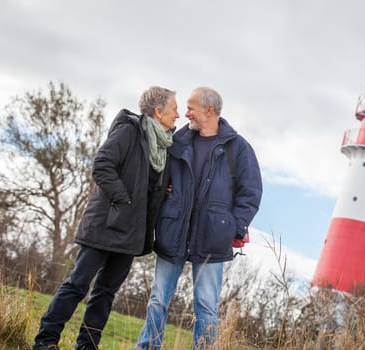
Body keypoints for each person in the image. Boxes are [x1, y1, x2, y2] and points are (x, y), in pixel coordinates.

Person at [32, 86, 179, 350]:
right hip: (106, 224)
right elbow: (102, 165)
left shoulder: (164, 146)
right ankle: (45, 341)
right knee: (77, 284)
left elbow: (146, 183)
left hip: (132, 233)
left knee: (105, 294)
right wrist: (123, 200)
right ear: (158, 111)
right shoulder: (130, 131)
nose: (178, 115)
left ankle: (87, 346)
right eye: (174, 109)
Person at [135, 87, 263, 350]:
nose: (185, 113)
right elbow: (159, 173)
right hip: (174, 230)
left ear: (209, 110)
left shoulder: (238, 148)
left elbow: (250, 193)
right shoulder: (177, 141)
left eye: (191, 107)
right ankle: (147, 347)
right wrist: (165, 193)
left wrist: (234, 228)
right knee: (158, 299)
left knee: (205, 307)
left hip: (213, 239)